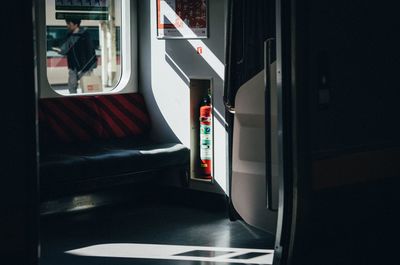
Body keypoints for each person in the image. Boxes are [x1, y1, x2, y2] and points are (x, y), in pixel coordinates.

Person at [52, 18, 97, 94]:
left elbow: (90, 51)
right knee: (71, 86)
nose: (67, 26)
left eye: (69, 24)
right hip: (73, 66)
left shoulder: (85, 35)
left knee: (86, 87)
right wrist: (60, 51)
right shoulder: (68, 35)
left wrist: (90, 66)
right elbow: (66, 49)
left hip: (84, 66)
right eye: (67, 24)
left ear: (76, 25)